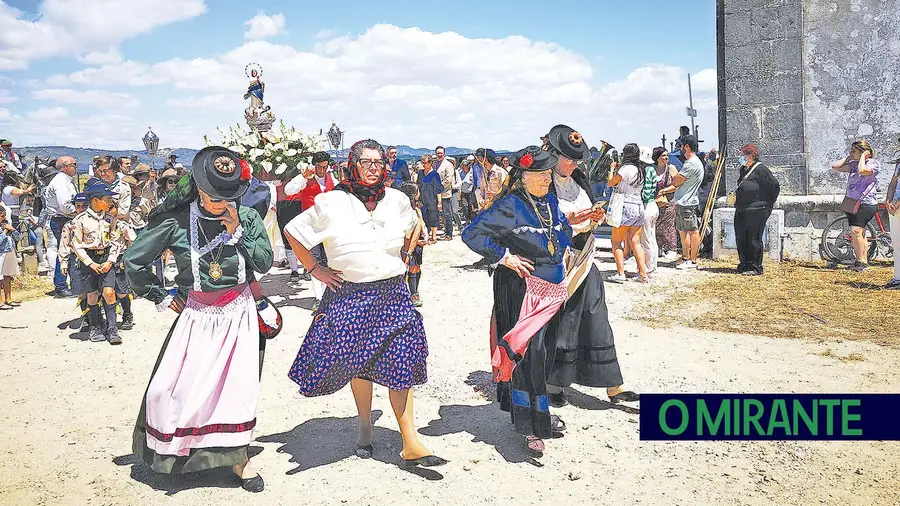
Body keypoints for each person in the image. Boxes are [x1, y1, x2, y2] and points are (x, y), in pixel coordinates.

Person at [283, 139, 446, 468]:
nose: (373, 168)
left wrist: (404, 253)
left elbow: (413, 225)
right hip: (350, 294)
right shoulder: (330, 201)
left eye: (378, 162)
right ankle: (364, 425)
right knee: (359, 362)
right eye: (366, 162)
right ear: (352, 165)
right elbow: (293, 231)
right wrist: (316, 269)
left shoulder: (397, 199)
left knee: (404, 357)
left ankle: (411, 441)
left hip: (393, 293)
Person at [123, 147, 273, 493]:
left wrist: (239, 230)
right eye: (216, 195)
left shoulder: (247, 217)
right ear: (199, 188)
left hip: (238, 313)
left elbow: (263, 262)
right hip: (196, 314)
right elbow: (135, 262)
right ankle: (180, 453)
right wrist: (161, 295)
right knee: (170, 389)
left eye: (229, 195)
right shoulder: (175, 221)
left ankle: (238, 460)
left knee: (234, 390)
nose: (223, 201)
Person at [462, 146, 572, 455]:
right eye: (537, 175)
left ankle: (535, 413)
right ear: (521, 177)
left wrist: (578, 225)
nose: (544, 180)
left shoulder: (549, 201)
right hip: (521, 289)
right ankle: (531, 424)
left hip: (551, 290)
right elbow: (472, 234)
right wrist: (504, 257)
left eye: (547, 174)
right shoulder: (509, 205)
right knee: (528, 355)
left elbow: (561, 232)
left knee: (546, 353)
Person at [542, 124, 640, 408]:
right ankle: (553, 384)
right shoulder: (540, 183)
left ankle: (613, 385)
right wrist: (570, 223)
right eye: (568, 158)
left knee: (596, 317)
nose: (573, 164)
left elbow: (581, 212)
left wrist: (592, 217)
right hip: (557, 262)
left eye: (576, 159)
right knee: (563, 321)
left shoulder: (579, 180)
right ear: (554, 154)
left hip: (584, 257)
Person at [69, 183, 123, 344]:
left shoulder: (110, 219)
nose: (110, 202)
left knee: (108, 292)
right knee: (92, 295)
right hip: (89, 259)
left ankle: (112, 328)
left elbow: (116, 240)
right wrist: (90, 263)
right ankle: (95, 327)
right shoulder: (80, 220)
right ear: (96, 201)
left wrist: (110, 261)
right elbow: (76, 244)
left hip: (106, 258)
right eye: (107, 199)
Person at [284, 151, 338, 311]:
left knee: (330, 260)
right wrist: (302, 177)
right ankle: (318, 298)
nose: (322, 170)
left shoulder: (332, 179)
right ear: (313, 165)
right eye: (319, 167)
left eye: (325, 167)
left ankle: (331, 295)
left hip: (329, 226)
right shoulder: (305, 178)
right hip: (312, 228)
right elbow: (288, 190)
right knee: (315, 261)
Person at [831, 139, 880, 272]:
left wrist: (863, 157)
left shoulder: (873, 164)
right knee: (859, 232)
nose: (851, 153)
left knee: (856, 231)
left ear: (863, 152)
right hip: (851, 202)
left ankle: (860, 262)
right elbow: (835, 166)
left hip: (865, 203)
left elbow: (863, 171)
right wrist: (849, 157)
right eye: (851, 151)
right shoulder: (852, 164)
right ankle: (863, 261)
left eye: (854, 151)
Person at [733, 144, 780, 276]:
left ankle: (755, 266)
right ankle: (744, 264)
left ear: (751, 155)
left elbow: (774, 186)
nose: (740, 157)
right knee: (742, 236)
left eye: (743, 155)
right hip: (742, 208)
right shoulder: (743, 170)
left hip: (757, 209)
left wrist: (766, 203)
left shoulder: (761, 170)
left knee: (753, 238)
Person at [608, 143, 649, 283]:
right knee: (635, 241)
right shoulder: (640, 170)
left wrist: (611, 170)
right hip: (638, 205)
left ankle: (620, 273)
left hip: (624, 206)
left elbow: (611, 183)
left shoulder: (625, 169)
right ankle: (643, 273)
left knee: (616, 241)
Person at [662, 135, 704, 270]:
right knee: (682, 230)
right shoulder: (693, 162)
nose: (680, 148)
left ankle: (692, 260)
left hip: (687, 202)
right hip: (683, 201)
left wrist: (673, 171)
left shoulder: (691, 163)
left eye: (681, 146)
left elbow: (676, 181)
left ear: (686, 146)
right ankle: (685, 256)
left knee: (692, 230)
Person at [45, 156, 79, 297]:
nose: (76, 167)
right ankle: (61, 286)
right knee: (64, 252)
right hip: (62, 219)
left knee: (69, 252)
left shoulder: (66, 181)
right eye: (73, 164)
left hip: (64, 219)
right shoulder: (60, 182)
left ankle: (71, 284)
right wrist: (79, 212)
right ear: (65, 167)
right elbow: (65, 205)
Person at [399, 182, 426, 307]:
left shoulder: (417, 209)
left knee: (416, 269)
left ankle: (414, 292)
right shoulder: (406, 211)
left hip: (419, 243)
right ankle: (410, 294)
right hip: (409, 244)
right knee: (408, 270)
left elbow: (422, 225)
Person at [652, 147, 679, 260]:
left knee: (668, 226)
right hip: (655, 202)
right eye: (663, 155)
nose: (666, 157)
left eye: (666, 155)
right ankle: (658, 247)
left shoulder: (671, 168)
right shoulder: (652, 169)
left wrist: (664, 191)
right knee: (656, 226)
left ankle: (671, 248)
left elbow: (677, 184)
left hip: (668, 201)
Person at [417, 154, 443, 244]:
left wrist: (439, 202)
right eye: (422, 163)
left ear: (431, 163)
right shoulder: (420, 173)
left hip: (432, 199)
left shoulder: (435, 175)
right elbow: (418, 186)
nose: (424, 164)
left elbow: (438, 189)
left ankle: (433, 237)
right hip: (422, 199)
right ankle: (425, 236)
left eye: (426, 163)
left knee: (433, 218)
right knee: (423, 218)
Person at [0, 204, 20, 310]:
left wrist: (12, 229)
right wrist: (5, 232)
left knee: (7, 276)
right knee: (0, 278)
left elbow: (18, 237)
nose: (4, 218)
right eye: (2, 216)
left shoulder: (6, 225)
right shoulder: (3, 229)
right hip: (1, 253)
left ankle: (8, 299)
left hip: (9, 252)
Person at [885, 154, 900, 289]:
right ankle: (898, 278)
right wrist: (888, 201)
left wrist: (897, 204)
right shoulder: (898, 164)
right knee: (896, 244)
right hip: (894, 207)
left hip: (897, 206)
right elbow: (892, 183)